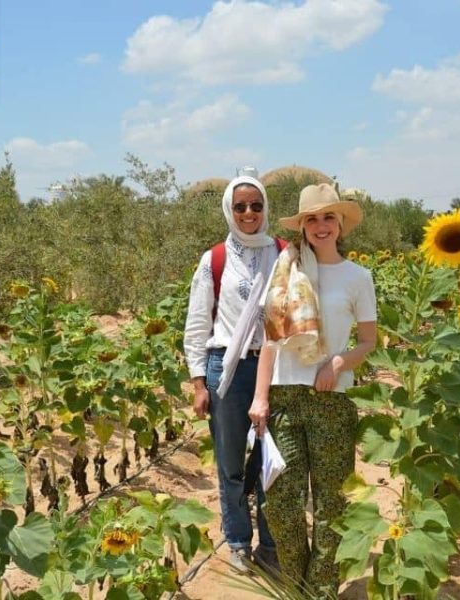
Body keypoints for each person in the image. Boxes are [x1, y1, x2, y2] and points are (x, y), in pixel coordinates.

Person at [248, 183, 377, 598]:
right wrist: (260, 396)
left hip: (331, 401)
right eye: (312, 219)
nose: (321, 226)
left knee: (330, 507)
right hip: (284, 398)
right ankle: (298, 585)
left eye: (328, 217)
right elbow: (270, 338)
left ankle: (317, 592)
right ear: (302, 226)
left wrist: (339, 363)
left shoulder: (359, 278)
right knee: (281, 507)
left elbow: (368, 341)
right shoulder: (285, 271)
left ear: (340, 225)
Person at [183, 173, 282, 573]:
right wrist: (197, 382)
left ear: (265, 210)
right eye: (240, 206)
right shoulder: (215, 260)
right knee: (231, 464)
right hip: (227, 367)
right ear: (229, 209)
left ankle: (272, 545)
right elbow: (196, 324)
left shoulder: (284, 252)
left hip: (276, 367)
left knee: (274, 461)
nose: (248, 213)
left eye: (255, 206)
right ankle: (239, 540)